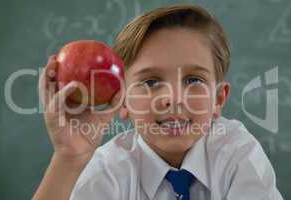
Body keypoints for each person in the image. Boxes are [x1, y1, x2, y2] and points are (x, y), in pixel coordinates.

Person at [33, 4, 283, 200]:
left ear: (218, 99)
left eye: (193, 80)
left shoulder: (236, 153)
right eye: (151, 82)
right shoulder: (109, 170)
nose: (173, 99)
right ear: (122, 100)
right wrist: (69, 158)